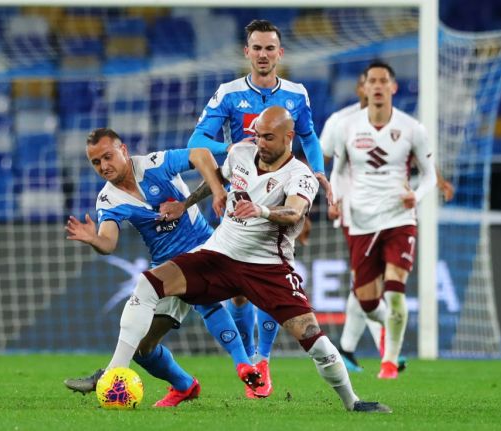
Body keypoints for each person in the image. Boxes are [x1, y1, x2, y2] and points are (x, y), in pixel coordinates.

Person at [102, 106, 391, 413]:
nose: (260, 142)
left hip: (267, 267)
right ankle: (114, 373)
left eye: (268, 137)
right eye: (257, 135)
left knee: (311, 336)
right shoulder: (241, 152)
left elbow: (294, 212)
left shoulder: (301, 175)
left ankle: (352, 402)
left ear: (289, 137)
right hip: (219, 254)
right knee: (149, 284)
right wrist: (186, 203)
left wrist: (262, 211)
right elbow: (218, 176)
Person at [63, 128, 263, 407]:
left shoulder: (155, 164)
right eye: (96, 162)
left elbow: (200, 154)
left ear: (123, 150)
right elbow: (108, 242)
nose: (103, 166)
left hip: (203, 248)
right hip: (166, 268)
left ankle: (247, 365)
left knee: (205, 299)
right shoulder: (108, 199)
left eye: (107, 157)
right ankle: (185, 386)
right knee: (142, 347)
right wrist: (94, 239)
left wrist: (218, 190)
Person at [187, 19, 331, 398]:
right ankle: (252, 356)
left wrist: (316, 172)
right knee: (237, 290)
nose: (263, 54)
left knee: (270, 277)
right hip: (241, 196)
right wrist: (239, 151)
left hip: (285, 192)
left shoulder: (297, 94)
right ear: (246, 52)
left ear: (279, 53)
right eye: (257, 48)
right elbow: (198, 140)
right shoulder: (229, 94)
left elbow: (309, 136)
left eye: (270, 48)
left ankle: (261, 359)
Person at [321, 72, 454, 373]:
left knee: (387, 289)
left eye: (383, 82)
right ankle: (378, 335)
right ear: (362, 87)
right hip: (356, 214)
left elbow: (420, 161)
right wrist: (333, 197)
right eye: (371, 82)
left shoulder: (406, 126)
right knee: (364, 289)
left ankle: (374, 350)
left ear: (391, 86)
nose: (376, 87)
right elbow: (326, 159)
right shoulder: (341, 123)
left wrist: (432, 185)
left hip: (396, 214)